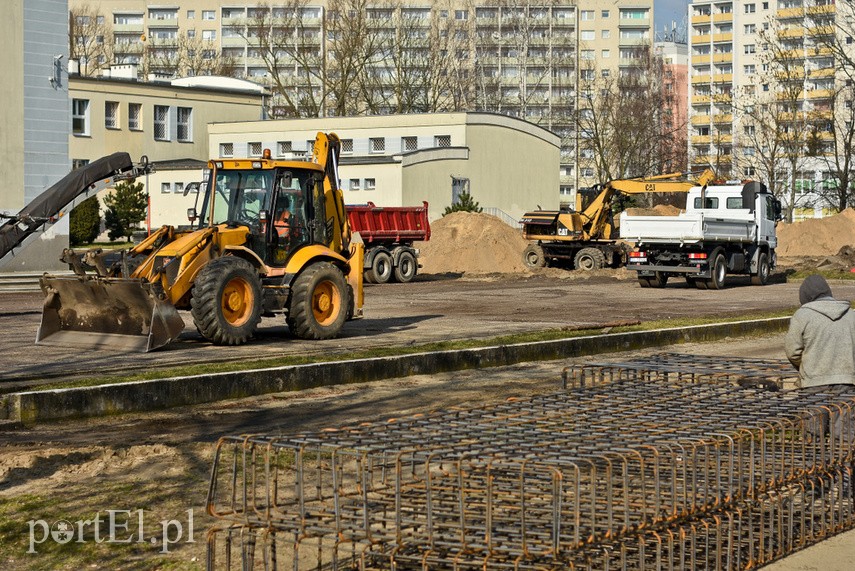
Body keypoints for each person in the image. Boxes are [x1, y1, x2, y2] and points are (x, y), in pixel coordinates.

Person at [785, 274, 855, 388]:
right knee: (845, 407)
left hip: (813, 383)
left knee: (816, 407)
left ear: (805, 296)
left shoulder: (802, 316)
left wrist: (807, 366)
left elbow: (792, 351)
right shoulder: (851, 314)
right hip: (848, 382)